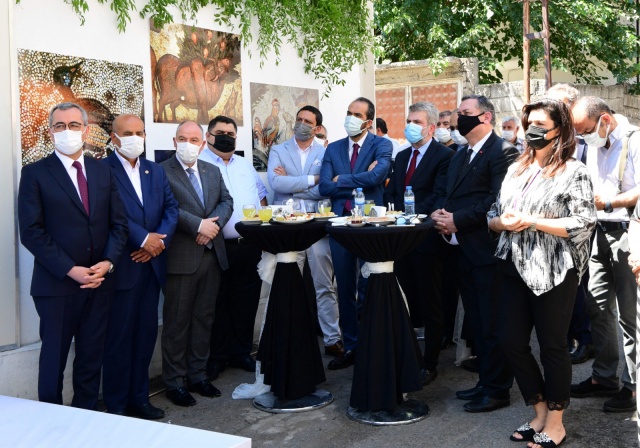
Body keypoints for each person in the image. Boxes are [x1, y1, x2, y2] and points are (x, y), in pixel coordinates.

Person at [488, 98, 597, 447]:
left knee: (553, 347)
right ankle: (538, 410)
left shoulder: (573, 171)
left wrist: (532, 221)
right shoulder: (516, 168)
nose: (532, 131)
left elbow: (583, 223)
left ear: (559, 130)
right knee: (510, 341)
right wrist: (501, 222)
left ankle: (555, 422)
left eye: (540, 125)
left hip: (554, 270)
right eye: (529, 124)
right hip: (512, 265)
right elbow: (493, 214)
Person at [18, 102, 128, 409]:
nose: (67, 131)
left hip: (99, 283)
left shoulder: (103, 170)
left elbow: (118, 224)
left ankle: (86, 418)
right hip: (57, 286)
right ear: (51, 131)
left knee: (91, 358)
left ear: (85, 129)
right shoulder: (35, 174)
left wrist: (108, 263)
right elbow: (31, 232)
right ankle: (51, 422)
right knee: (53, 360)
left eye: (74, 125)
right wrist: (71, 269)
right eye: (60, 126)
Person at [432, 94, 518, 412]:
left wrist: (457, 220)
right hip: (462, 251)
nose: (459, 118)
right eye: (458, 113)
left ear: (486, 117)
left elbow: (498, 201)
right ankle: (485, 380)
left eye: (465, 112)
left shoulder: (503, 152)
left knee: (493, 322)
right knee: (478, 323)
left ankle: (498, 390)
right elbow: (450, 195)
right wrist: (441, 214)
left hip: (488, 251)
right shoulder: (460, 154)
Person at [102, 114, 178, 419]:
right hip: (124, 266)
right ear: (114, 137)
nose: (135, 138)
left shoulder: (154, 170)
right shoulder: (102, 170)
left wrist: (157, 243)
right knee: (119, 338)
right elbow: (111, 214)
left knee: (146, 336)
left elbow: (171, 208)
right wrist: (144, 239)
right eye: (128, 133)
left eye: (140, 132)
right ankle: (117, 404)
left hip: (151, 265)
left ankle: (140, 399)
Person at [570, 96, 639, 413]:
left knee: (630, 315)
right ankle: (604, 377)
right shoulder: (595, 145)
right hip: (598, 232)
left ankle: (633, 386)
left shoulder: (634, 140)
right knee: (597, 306)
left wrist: (610, 202)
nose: (583, 137)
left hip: (627, 232)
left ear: (605, 120)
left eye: (585, 130)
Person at [160, 120, 233, 407]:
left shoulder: (211, 170)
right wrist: (198, 225)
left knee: (204, 318)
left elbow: (227, 202)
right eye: (182, 138)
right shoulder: (162, 171)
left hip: (211, 255)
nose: (188, 144)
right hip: (181, 258)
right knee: (177, 322)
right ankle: (174, 382)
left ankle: (198, 376)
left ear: (203, 144)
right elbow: (167, 207)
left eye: (194, 140)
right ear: (174, 141)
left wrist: (212, 228)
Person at [319, 97, 392, 369]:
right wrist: (358, 183)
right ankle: (351, 346)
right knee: (345, 287)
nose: (351, 118)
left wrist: (342, 180)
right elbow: (324, 187)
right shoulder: (334, 148)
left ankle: (373, 344)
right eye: (349, 112)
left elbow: (377, 178)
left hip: (370, 226)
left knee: (369, 285)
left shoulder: (381, 145)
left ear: (368, 122)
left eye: (357, 114)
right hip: (341, 225)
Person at [386, 101, 454, 385]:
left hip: (428, 239)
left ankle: (430, 362)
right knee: (406, 300)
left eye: (417, 122)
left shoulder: (444, 156)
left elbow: (439, 195)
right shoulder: (402, 156)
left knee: (431, 302)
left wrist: (414, 217)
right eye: (409, 121)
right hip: (402, 240)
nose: (411, 126)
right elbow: (395, 193)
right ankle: (407, 355)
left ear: (431, 127)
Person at [268, 106, 343, 358]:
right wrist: (313, 179)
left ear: (317, 127)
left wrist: (293, 183)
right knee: (288, 283)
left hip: (316, 225)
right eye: (298, 119)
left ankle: (332, 338)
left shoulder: (326, 152)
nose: (301, 123)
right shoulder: (278, 150)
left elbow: (327, 189)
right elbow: (276, 183)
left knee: (324, 285)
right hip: (288, 227)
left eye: (307, 121)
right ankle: (289, 339)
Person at [199, 115, 268, 380]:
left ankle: (241, 351)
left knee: (246, 300)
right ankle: (217, 357)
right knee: (217, 303)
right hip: (215, 246)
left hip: (248, 244)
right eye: (220, 133)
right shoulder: (200, 163)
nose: (225, 137)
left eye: (230, 133)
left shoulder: (244, 165)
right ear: (208, 136)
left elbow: (261, 197)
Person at [544, 83, 594, 365]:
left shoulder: (586, 140)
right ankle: (567, 337)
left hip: (580, 222)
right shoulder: (547, 139)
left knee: (581, 284)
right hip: (551, 222)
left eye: (559, 103)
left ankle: (585, 339)